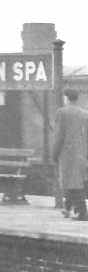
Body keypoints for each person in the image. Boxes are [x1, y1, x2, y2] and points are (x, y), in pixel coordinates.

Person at [52, 89, 88, 220]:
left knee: (72, 183)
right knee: (76, 181)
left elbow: (59, 136)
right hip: (82, 154)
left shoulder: (62, 113)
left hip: (68, 154)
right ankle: (68, 208)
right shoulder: (84, 114)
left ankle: (82, 212)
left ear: (66, 97)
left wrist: (54, 154)